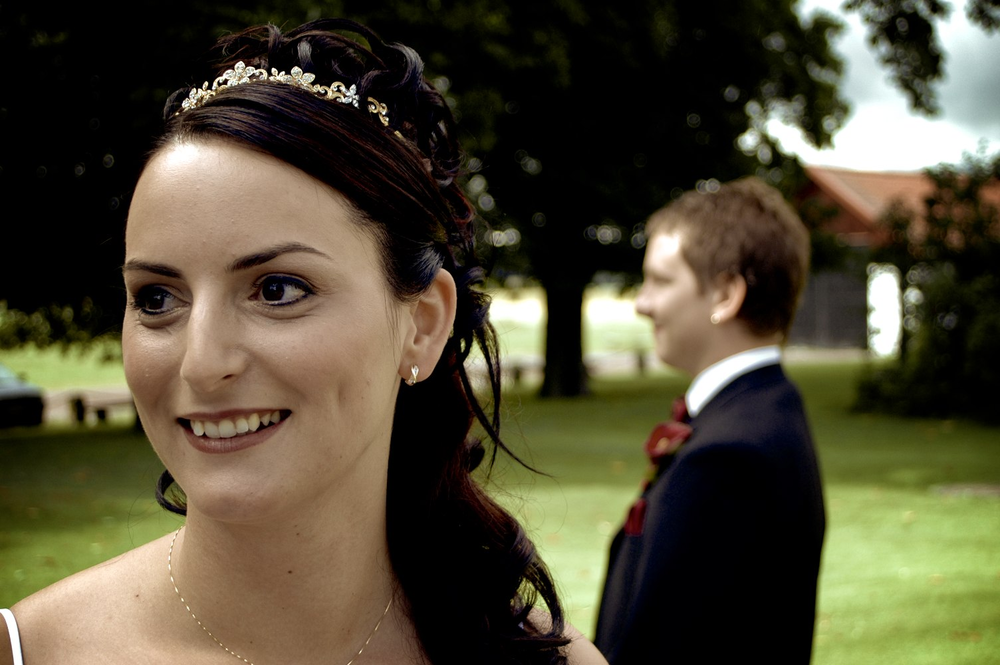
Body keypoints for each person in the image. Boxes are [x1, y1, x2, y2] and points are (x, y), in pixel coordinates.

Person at [1, 19, 606, 665]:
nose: (202, 363)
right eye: (157, 298)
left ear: (423, 324)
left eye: (277, 289)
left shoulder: (545, 661)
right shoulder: (32, 650)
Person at [594, 177, 826, 664]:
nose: (642, 303)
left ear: (725, 294)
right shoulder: (770, 410)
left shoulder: (727, 457)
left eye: (660, 281)